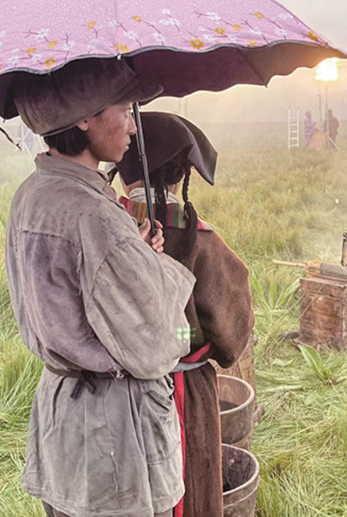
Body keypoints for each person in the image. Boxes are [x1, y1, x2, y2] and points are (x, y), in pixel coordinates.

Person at [5, 61, 197, 517]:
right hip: (112, 438)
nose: (131, 126)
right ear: (85, 118)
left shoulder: (31, 195)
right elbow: (158, 343)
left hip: (62, 422)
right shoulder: (94, 216)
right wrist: (153, 265)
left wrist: (131, 251)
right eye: (124, 110)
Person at [116, 112, 255, 517]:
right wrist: (187, 343)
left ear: (125, 171)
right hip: (185, 393)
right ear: (181, 175)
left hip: (113, 392)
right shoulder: (202, 239)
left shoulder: (106, 225)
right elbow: (231, 336)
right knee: (190, 487)